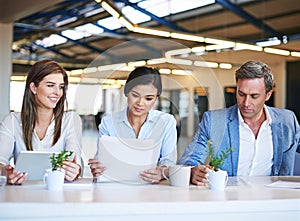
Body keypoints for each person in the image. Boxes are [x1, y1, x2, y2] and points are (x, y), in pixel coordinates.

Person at [178, 61, 300, 186]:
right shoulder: (214, 121)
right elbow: (188, 160)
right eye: (241, 94)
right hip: (230, 199)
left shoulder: (287, 120)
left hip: (275, 199)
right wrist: (192, 171)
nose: (246, 103)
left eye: (254, 96)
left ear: (268, 95)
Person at [89, 66, 177, 184]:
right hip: (116, 187)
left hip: (152, 188)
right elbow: (101, 159)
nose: (140, 103)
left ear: (156, 98)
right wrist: (97, 168)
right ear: (126, 92)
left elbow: (169, 162)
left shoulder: (166, 122)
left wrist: (161, 172)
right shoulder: (108, 123)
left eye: (148, 98)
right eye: (135, 95)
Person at [0, 60, 82, 185]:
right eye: (50, 85)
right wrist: (6, 173)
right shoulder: (12, 121)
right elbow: (1, 161)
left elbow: (75, 162)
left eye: (61, 87)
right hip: (22, 194)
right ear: (33, 87)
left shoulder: (70, 120)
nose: (58, 92)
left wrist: (74, 171)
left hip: (58, 195)